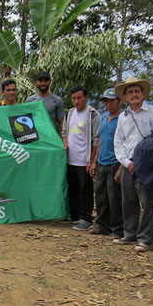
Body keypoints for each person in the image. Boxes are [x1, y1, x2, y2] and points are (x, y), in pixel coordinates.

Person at [113, 76, 153, 252]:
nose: (134, 94)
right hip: (128, 164)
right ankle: (130, 234)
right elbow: (118, 142)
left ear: (143, 94)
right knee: (128, 200)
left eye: (137, 91)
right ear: (126, 97)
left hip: (147, 165)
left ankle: (145, 238)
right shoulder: (123, 117)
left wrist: (146, 162)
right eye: (130, 92)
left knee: (148, 202)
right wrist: (126, 163)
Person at [60, 86, 100, 231]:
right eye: (74, 98)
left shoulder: (93, 115)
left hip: (85, 160)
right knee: (73, 188)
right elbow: (64, 132)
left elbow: (97, 139)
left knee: (85, 189)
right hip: (71, 159)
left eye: (79, 98)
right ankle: (74, 215)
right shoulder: (69, 114)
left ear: (86, 98)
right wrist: (65, 143)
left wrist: (93, 160)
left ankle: (86, 218)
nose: (76, 101)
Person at [89, 88, 123, 240]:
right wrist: (95, 160)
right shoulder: (104, 118)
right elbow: (100, 139)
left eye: (111, 101)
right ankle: (102, 225)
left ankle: (117, 229)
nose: (108, 104)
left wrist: (122, 166)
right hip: (102, 161)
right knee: (101, 195)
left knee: (114, 197)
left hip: (115, 162)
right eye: (106, 101)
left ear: (119, 101)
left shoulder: (123, 118)